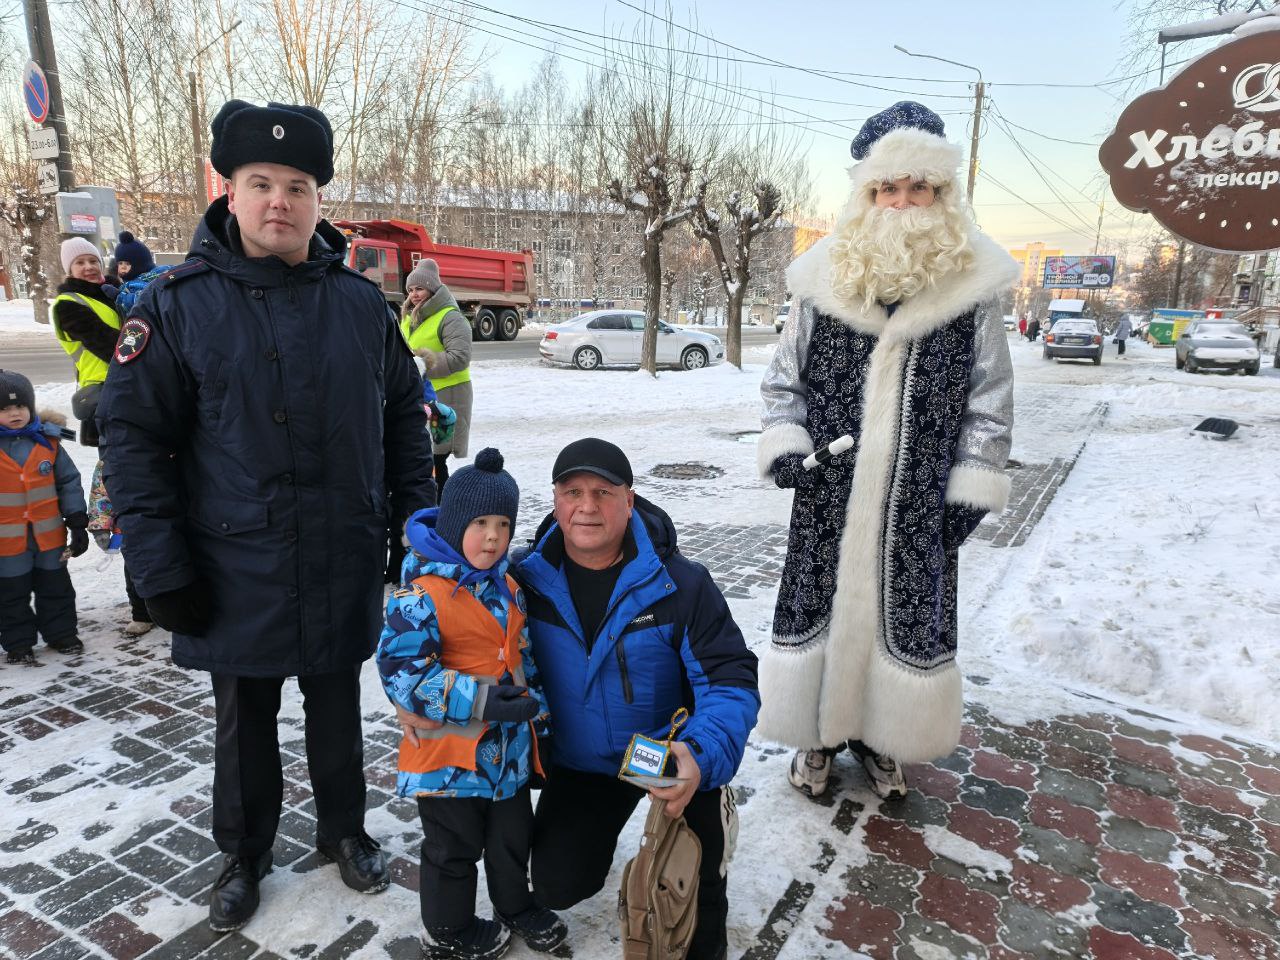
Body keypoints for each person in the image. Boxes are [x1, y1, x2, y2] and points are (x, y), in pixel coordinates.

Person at [96, 99, 435, 932]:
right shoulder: (174, 304)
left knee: (336, 709)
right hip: (232, 564)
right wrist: (159, 568)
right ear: (230, 190)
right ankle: (243, 852)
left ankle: (344, 831)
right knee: (243, 721)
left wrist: (416, 529)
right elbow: (134, 444)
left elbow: (403, 417)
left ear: (318, 199)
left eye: (297, 185)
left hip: (340, 554)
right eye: (261, 183)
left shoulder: (360, 306)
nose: (279, 200)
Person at [756, 101, 1017, 801]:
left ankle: (882, 739)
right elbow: (784, 379)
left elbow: (990, 399)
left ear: (942, 194)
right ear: (866, 194)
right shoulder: (820, 279)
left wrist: (969, 489)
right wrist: (788, 449)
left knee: (899, 622)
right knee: (824, 613)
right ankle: (816, 739)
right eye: (887, 188)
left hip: (918, 504)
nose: (902, 203)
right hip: (829, 496)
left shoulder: (975, 285)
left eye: (918, 187)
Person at [514, 438, 759, 960]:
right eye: (573, 491)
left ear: (630, 499)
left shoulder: (681, 585)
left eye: (603, 492)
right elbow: (448, 618)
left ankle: (712, 818)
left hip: (662, 753)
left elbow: (731, 677)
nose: (587, 506)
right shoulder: (524, 583)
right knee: (556, 885)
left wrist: (700, 751)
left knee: (691, 891)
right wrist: (416, 693)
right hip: (581, 764)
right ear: (555, 499)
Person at [378, 448, 567, 960]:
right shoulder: (418, 595)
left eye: (503, 524)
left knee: (511, 839)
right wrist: (481, 700)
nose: (492, 536)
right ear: (456, 522)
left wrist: (539, 718)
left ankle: (514, 904)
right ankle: (447, 929)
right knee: (452, 850)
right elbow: (404, 675)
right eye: (480, 522)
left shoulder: (507, 586)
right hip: (447, 756)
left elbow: (522, 659)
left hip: (505, 755)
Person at [0, 370, 88, 665]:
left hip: (49, 538)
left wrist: (77, 521)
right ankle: (18, 642)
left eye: (20, 407)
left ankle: (61, 633)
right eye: (4, 409)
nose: (14, 414)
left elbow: (68, 482)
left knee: (57, 588)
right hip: (6, 545)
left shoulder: (48, 443)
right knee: (11, 596)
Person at [401, 259, 472, 491]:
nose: (414, 294)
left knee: (435, 459)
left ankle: (444, 510)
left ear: (432, 288)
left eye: (419, 289)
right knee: (423, 458)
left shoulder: (450, 317)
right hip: (421, 398)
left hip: (447, 398)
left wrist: (421, 362)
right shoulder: (412, 317)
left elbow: (460, 357)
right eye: (410, 290)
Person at [49, 238, 120, 446]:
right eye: (80, 263)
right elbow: (108, 344)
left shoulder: (113, 295)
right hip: (104, 392)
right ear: (70, 270)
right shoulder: (68, 305)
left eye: (93, 261)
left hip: (129, 384)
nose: (89, 267)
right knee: (118, 465)